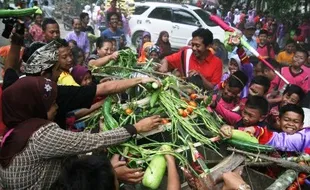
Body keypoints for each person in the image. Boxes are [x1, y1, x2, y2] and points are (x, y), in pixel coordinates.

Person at [0, 76, 162, 189]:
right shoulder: (40, 135)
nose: (57, 107)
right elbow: (93, 141)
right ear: (33, 106)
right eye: (50, 104)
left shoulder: (19, 129)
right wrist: (136, 128)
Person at [3, 33, 158, 131]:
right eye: (57, 70)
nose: (60, 73)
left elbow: (9, 67)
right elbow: (103, 89)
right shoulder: (54, 92)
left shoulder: (15, 84)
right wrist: (140, 79)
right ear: (44, 74)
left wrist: (16, 41)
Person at [224, 104, 309, 153]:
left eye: (295, 122)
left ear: (301, 125)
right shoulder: (304, 137)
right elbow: (279, 140)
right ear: (279, 120)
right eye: (287, 120)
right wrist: (254, 130)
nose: (291, 124)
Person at [158, 28, 223, 90]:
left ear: (208, 46)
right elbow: (166, 59)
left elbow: (214, 88)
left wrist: (200, 77)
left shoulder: (217, 63)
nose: (194, 48)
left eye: (197, 46)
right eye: (192, 45)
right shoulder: (185, 54)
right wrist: (164, 64)